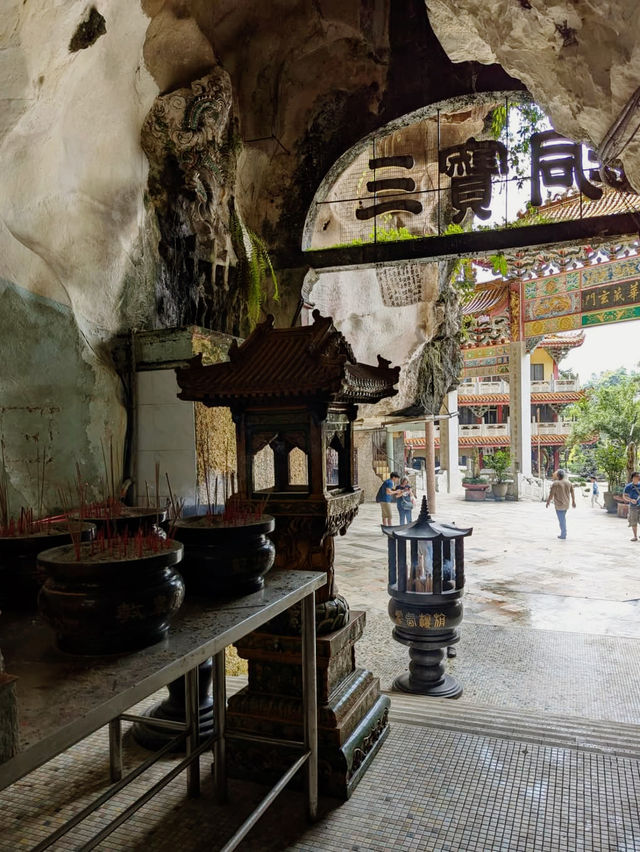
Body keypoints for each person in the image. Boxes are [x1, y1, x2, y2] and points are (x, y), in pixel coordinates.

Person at [545, 469, 576, 539]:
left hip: (559, 504)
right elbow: (572, 492)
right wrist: (573, 501)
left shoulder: (556, 483)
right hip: (566, 504)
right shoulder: (569, 482)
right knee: (562, 518)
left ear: (558, 475)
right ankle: (563, 533)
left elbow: (551, 494)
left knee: (561, 519)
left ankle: (563, 534)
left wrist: (548, 502)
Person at [623, 471, 640, 541]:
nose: (638, 478)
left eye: (638, 477)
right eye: (636, 476)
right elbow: (624, 496)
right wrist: (630, 500)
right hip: (633, 506)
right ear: (633, 477)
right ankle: (635, 536)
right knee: (633, 521)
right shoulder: (628, 486)